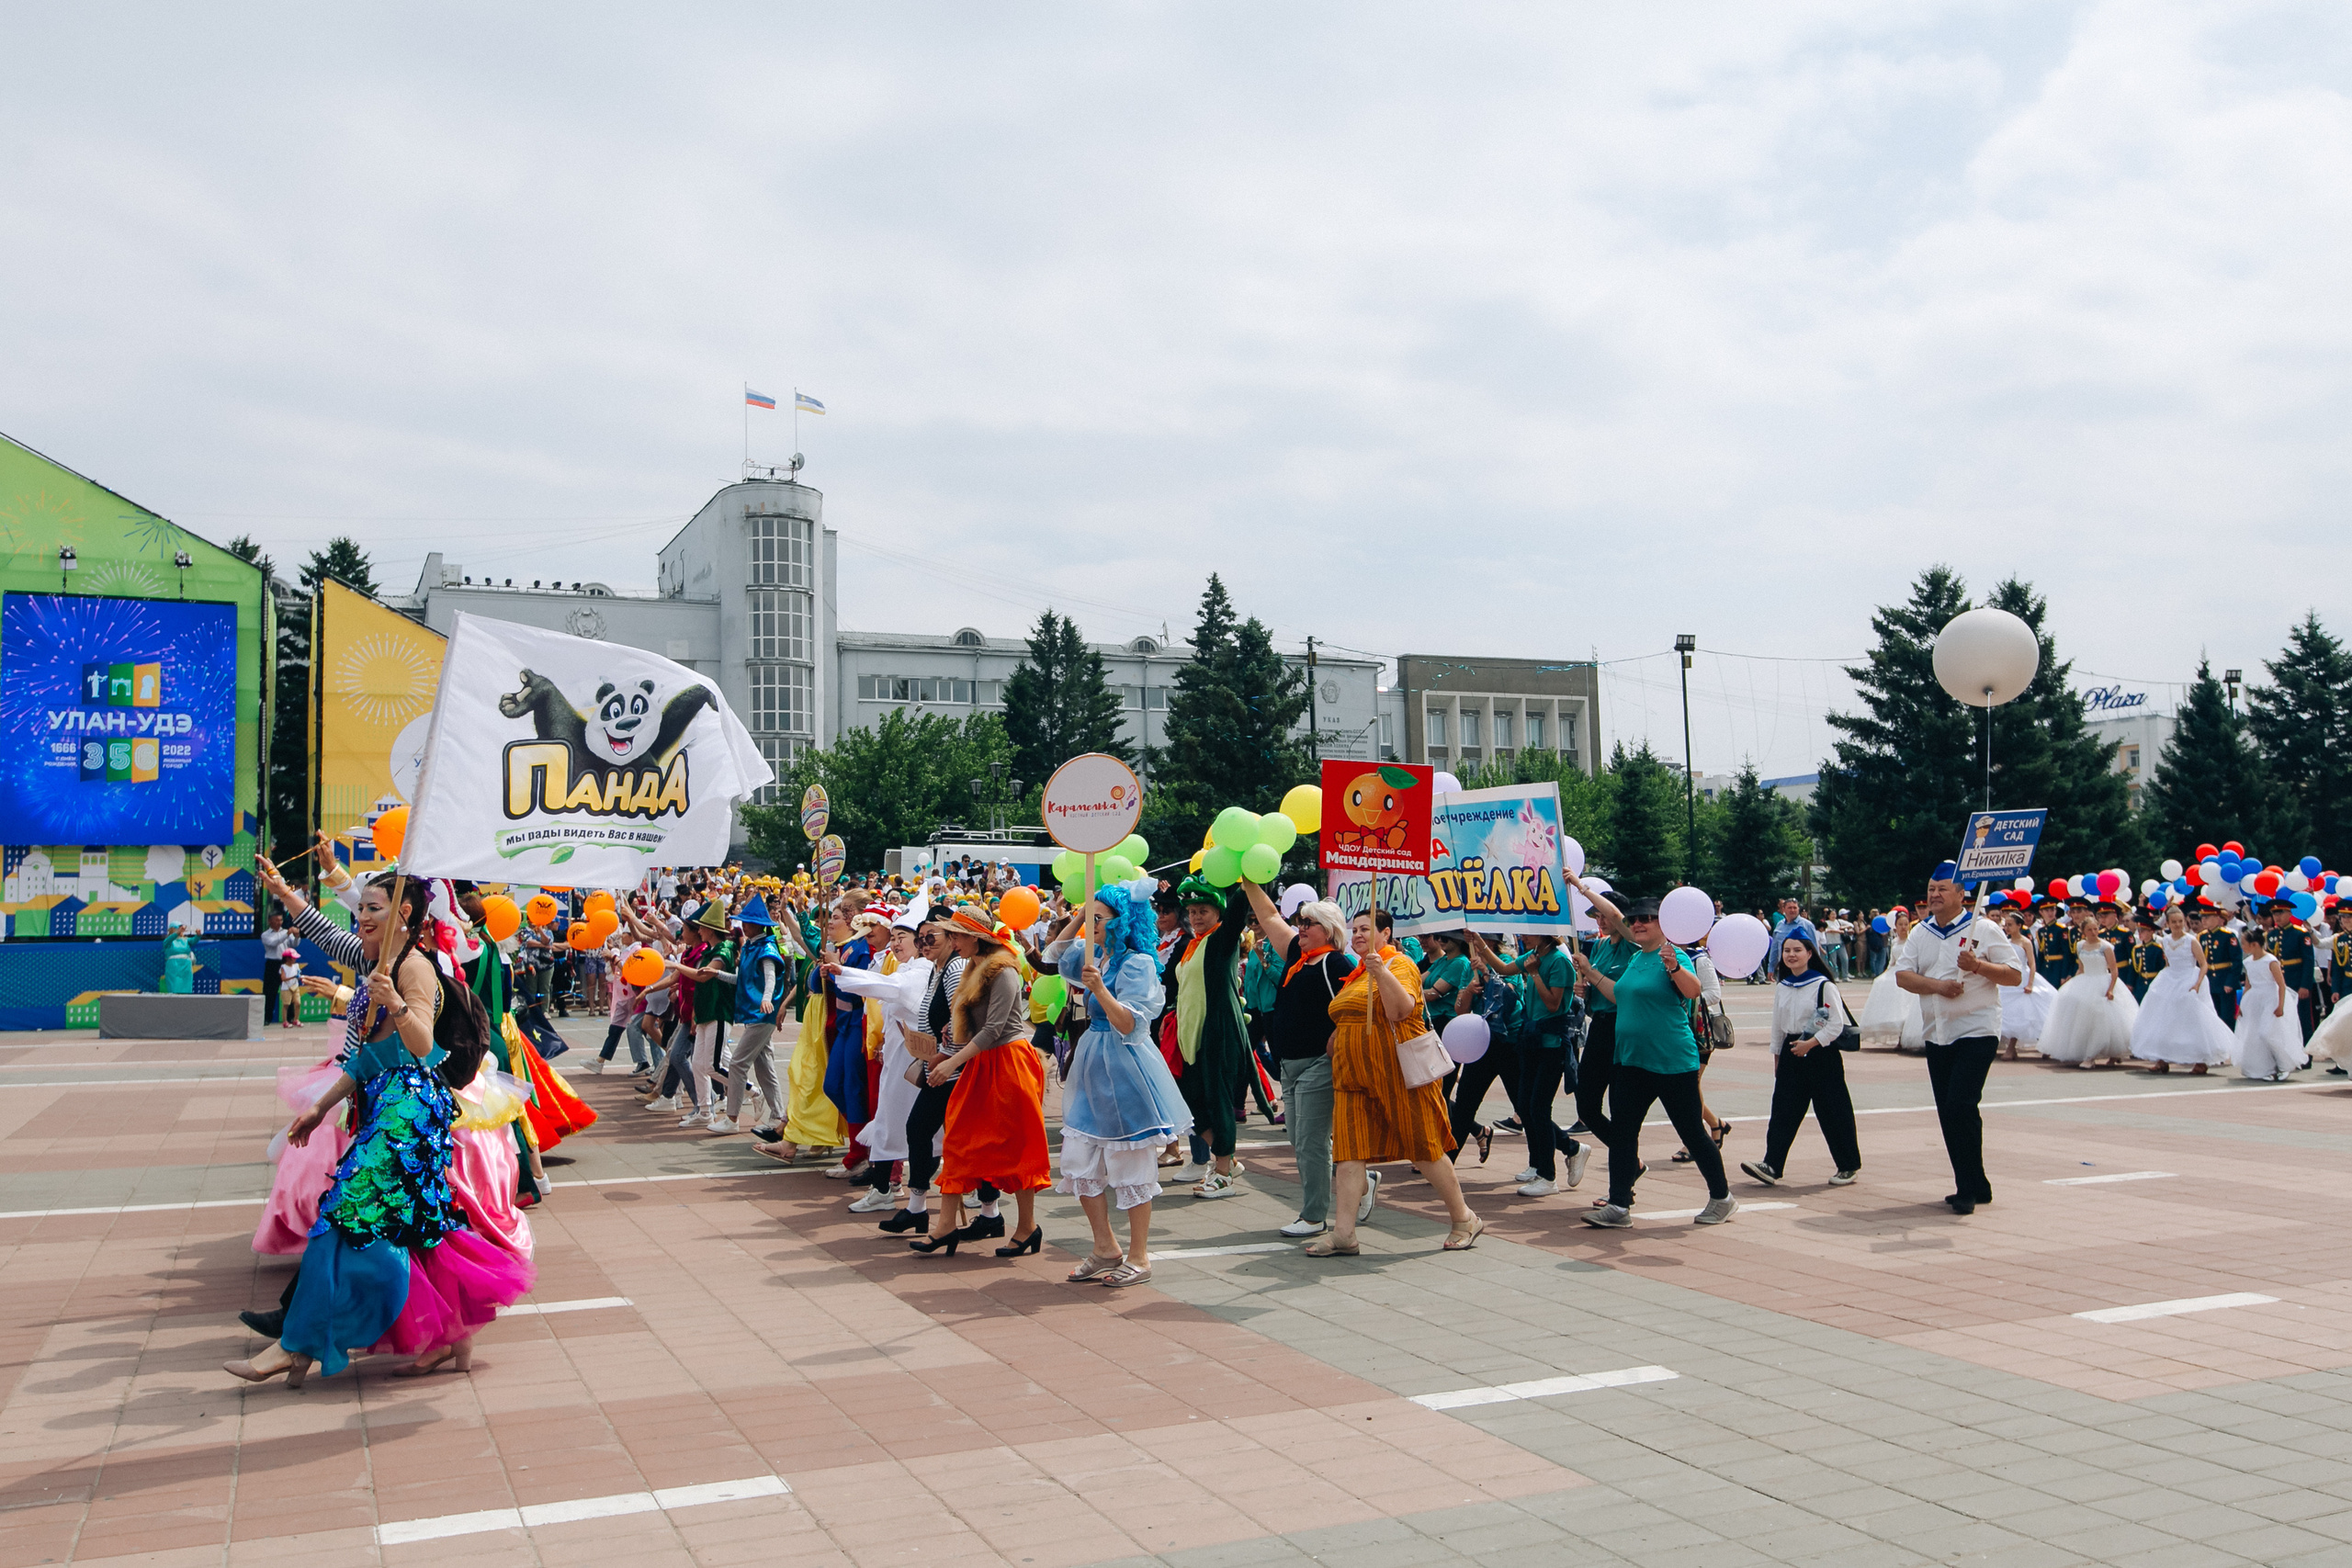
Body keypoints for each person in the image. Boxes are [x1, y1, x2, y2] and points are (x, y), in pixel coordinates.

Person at [228, 864, 532, 1385]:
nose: (363, 916)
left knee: (339, 1219)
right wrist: (321, 1107)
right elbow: (374, 1056)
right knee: (420, 1227)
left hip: (406, 1113)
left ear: (404, 913)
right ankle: (455, 1334)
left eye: (373, 908)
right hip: (384, 1104)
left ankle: (296, 1345)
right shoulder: (380, 963)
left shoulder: (413, 968)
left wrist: (395, 1002)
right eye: (362, 908)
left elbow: (422, 1048)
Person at [1308, 908, 1482, 1257]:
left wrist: (1381, 972)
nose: (1357, 934)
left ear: (1386, 934)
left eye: (1365, 928)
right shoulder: (1357, 973)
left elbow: (1401, 1010)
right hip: (1352, 1075)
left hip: (1397, 1074)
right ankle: (1344, 1233)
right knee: (1349, 1152)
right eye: (1354, 929)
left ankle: (1464, 1218)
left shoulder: (1399, 964)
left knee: (1424, 1146)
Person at [1053, 884, 1193, 1286]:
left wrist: (1099, 988)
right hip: (1093, 1065)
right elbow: (1054, 956)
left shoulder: (1137, 964)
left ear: (1122, 921)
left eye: (1100, 918)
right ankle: (1105, 1247)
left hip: (1125, 1065)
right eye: (1091, 916)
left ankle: (1139, 1256)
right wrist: (1079, 915)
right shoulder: (1095, 955)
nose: (1092, 924)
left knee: (1130, 1163)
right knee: (1078, 1162)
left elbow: (1130, 1023)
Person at [1575, 898, 1736, 1228]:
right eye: (1634, 919)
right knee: (1623, 1134)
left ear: (1664, 924)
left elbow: (1693, 991)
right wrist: (1590, 974)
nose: (1638, 924)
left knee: (1692, 1132)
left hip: (1671, 1062)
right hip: (1630, 1061)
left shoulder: (1673, 956)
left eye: (1647, 918)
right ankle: (1619, 1205)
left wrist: (1674, 967)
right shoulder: (1637, 958)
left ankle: (1722, 1198)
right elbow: (1620, 994)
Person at [912, 905, 1050, 1258]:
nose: (952, 942)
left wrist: (951, 1061)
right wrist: (947, 1050)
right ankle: (945, 1226)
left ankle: (1026, 1227)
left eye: (956, 935)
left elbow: (994, 1030)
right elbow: (973, 1028)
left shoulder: (1003, 970)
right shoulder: (973, 966)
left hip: (1010, 1065)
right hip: (982, 1064)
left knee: (1018, 1149)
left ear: (975, 938)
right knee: (959, 1140)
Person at [1893, 863, 2021, 1215]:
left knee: (1961, 1104)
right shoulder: (1921, 933)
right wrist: (1938, 986)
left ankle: (1966, 1188)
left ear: (1962, 895)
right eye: (1931, 888)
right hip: (1938, 1032)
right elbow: (1903, 976)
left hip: (1977, 1028)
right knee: (1950, 1111)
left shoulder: (1985, 928)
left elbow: (2014, 975)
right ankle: (1976, 1182)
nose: (1934, 895)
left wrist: (1978, 966)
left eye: (1942, 889)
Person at [1238, 880, 1353, 1237]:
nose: (1299, 928)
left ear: (1328, 930)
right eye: (1299, 922)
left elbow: (1356, 1007)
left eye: (1308, 923)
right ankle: (1358, 1181)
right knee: (1299, 1139)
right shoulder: (1296, 956)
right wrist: (1247, 880)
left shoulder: (1335, 962)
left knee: (1309, 1142)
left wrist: (1336, 1037)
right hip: (1289, 1064)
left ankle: (1314, 1216)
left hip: (1319, 1063)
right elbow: (1269, 915)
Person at [1740, 934, 1860, 1187]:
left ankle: (1848, 1166)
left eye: (1797, 950)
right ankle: (1772, 1164)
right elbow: (1778, 1026)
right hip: (1791, 1052)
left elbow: (1836, 1023)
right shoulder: (1783, 986)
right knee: (1783, 1110)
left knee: (1833, 1110)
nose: (1791, 955)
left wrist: (1812, 1043)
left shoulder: (1823, 985)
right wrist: (1777, 1056)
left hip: (1821, 1053)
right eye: (1787, 951)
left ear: (1809, 953)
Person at [1164, 877, 1252, 1199]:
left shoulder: (1222, 939)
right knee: (1190, 1104)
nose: (1196, 917)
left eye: (1203, 910)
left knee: (1218, 1102)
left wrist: (1246, 879)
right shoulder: (1193, 944)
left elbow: (1239, 911)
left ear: (1218, 912)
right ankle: (1228, 1159)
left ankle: (1224, 1173)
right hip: (1189, 1038)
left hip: (1217, 1034)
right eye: (1191, 911)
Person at [1562, 866, 1634, 1158]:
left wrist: (1580, 886)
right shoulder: (1600, 946)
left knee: (1621, 1105)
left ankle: (1625, 1161)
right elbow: (1596, 987)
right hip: (1600, 1026)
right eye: (1596, 916)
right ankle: (1627, 1155)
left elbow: (1617, 916)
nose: (1601, 920)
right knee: (1587, 1103)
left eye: (1603, 915)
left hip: (1623, 1026)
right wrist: (1586, 990)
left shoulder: (1633, 944)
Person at [710, 897, 790, 1138]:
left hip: (762, 1013)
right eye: (743, 922)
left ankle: (732, 1118)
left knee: (737, 1064)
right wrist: (717, 974)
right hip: (754, 1013)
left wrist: (766, 998)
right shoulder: (750, 947)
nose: (744, 926)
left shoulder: (766, 948)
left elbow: (770, 977)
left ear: (759, 925)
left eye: (748, 923)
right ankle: (777, 1115)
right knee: (764, 1066)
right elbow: (742, 980)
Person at [2128, 905, 2233, 1075]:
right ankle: (2161, 1059)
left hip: (2189, 977)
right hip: (2170, 978)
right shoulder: (2165, 941)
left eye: (2180, 921)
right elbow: (2168, 963)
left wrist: (2197, 983)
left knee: (2192, 1018)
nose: (2178, 925)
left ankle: (2200, 1060)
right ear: (2168, 923)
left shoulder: (2191, 940)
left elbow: (2203, 964)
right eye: (2174, 922)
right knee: (2162, 1016)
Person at [2037, 907, 2138, 1067]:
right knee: (2079, 1013)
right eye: (2089, 930)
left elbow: (2114, 970)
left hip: (2102, 980)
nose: (2093, 932)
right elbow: (2081, 967)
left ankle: (2096, 1056)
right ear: (2083, 931)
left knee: (2104, 1018)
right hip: (2086, 980)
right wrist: (2073, 983)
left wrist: (2110, 989)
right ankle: (2087, 1052)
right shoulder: (2080, 945)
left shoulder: (2106, 946)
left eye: (2095, 929)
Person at [2233, 925, 2310, 1081]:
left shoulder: (2270, 961)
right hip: (2255, 1000)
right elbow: (2248, 985)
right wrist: (2241, 1006)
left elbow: (2281, 985)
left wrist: (2280, 1006)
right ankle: (2267, 1068)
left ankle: (2284, 1065)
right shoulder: (2248, 962)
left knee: (2268, 1033)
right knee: (2255, 1035)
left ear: (2254, 944)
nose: (2242, 946)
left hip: (2271, 998)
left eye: (2244, 943)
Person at [1857, 908, 1925, 1050]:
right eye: (1900, 924)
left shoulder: (1912, 941)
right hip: (1895, 971)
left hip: (1908, 972)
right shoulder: (1894, 942)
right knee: (1882, 982)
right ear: (1895, 927)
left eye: (1906, 924)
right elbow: (1892, 962)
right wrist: (1885, 973)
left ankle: (1904, 1034)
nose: (1903, 927)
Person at [1993, 909, 2050, 1060]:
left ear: (2019, 925)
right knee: (2006, 1013)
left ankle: (2013, 1048)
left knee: (2025, 1013)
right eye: (2006, 925)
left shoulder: (2025, 942)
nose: (2007, 928)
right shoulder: (2005, 941)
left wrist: (2030, 983)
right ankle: (2005, 1046)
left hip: (2023, 978)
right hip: (2008, 979)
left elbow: (2032, 964)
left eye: (2010, 925)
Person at [262, 910, 292, 1025]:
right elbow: (273, 943)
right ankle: (267, 1017)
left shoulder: (285, 932)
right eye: (276, 920)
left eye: (281, 920)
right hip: (272, 964)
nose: (279, 923)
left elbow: (293, 944)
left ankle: (290, 1017)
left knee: (289, 990)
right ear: (270, 921)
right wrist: (288, 933)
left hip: (285, 963)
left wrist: (296, 936)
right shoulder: (265, 935)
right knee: (270, 992)